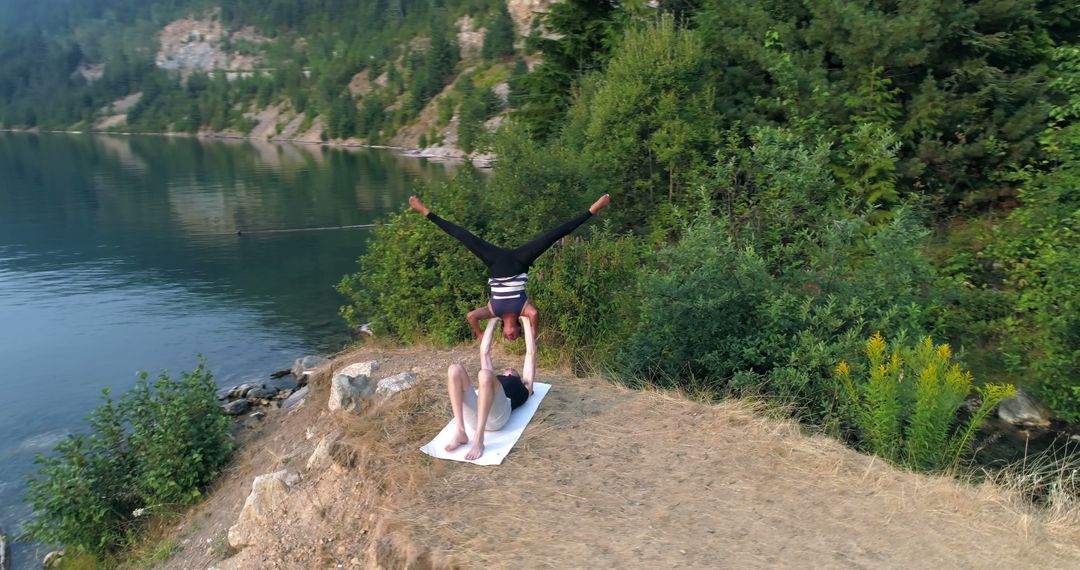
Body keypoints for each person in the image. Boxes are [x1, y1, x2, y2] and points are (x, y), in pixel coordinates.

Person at [409, 194, 611, 341]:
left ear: (503, 332)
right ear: (517, 330)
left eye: (507, 337)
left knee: (464, 237)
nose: (511, 336)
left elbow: (471, 316)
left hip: (495, 262)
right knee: (552, 236)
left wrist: (479, 334)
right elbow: (534, 314)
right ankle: (594, 209)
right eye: (514, 336)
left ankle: (424, 211)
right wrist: (533, 331)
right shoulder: (523, 311)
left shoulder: (493, 311)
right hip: (519, 262)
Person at [445, 316, 536, 460]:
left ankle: (478, 439)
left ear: (519, 376)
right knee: (454, 369)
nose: (510, 368)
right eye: (508, 369)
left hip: (497, 417)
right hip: (477, 415)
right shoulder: (495, 379)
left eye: (514, 370)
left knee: (485, 374)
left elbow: (530, 354)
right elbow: (484, 352)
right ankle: (461, 430)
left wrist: (525, 321)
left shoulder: (525, 386)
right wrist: (493, 320)